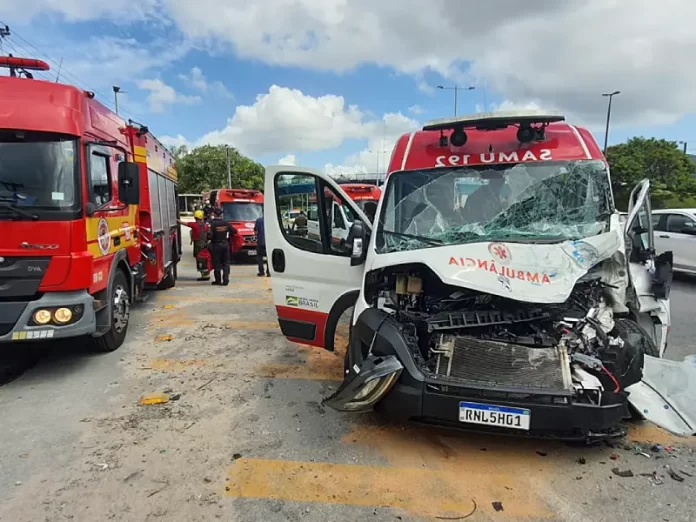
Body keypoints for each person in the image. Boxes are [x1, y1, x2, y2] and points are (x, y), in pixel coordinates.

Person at [208, 207, 237, 286]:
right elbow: (234, 231)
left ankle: (218, 280)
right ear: (221, 214)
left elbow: (210, 236)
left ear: (214, 214)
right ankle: (225, 279)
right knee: (226, 263)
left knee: (216, 263)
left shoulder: (213, 224)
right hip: (225, 245)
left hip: (216, 245)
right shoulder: (226, 223)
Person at [177, 210, 210, 281]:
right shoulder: (206, 225)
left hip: (198, 245)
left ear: (195, 218)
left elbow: (184, 223)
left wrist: (177, 220)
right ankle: (206, 273)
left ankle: (204, 275)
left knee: (199, 258)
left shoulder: (194, 225)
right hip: (205, 244)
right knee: (204, 258)